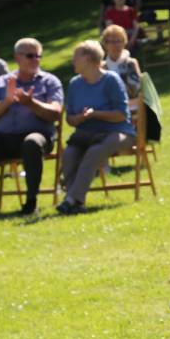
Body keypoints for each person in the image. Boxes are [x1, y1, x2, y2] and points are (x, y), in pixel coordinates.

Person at [0, 38, 64, 222]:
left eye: (38, 56)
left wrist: (30, 103)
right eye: (30, 55)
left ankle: (30, 203)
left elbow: (55, 113)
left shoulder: (50, 81)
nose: (35, 60)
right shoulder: (2, 82)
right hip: (4, 138)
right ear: (17, 57)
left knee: (31, 142)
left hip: (39, 138)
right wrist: (7, 102)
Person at [56, 41, 135, 215]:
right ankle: (76, 203)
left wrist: (95, 114)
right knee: (69, 154)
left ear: (89, 58)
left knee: (95, 151)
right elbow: (70, 118)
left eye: (76, 57)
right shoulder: (75, 84)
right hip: (86, 134)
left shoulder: (111, 80)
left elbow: (122, 115)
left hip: (118, 132)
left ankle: (70, 199)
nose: (73, 61)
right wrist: (79, 118)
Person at [100, 24, 143, 98]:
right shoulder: (102, 67)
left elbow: (138, 88)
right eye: (113, 42)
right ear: (105, 44)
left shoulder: (131, 63)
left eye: (119, 41)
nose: (116, 45)